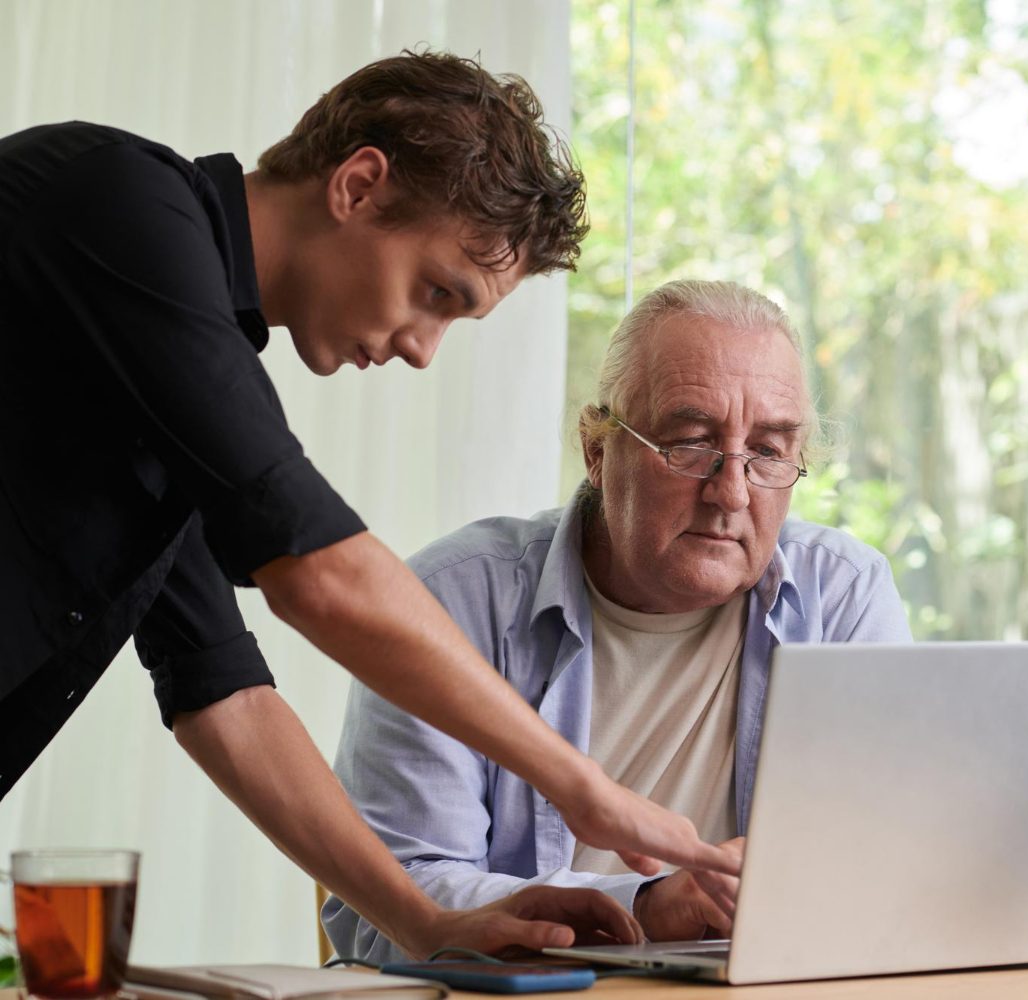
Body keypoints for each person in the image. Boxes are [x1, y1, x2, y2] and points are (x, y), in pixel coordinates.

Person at [0, 51, 735, 959]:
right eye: (436, 293)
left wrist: (423, 922)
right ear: (358, 185)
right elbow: (320, 571)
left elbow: (220, 694)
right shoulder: (116, 206)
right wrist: (586, 789)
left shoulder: (165, 377)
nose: (425, 349)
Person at [323, 280, 912, 961]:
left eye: (770, 453)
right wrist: (648, 908)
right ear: (597, 450)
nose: (731, 491)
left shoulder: (842, 595)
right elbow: (389, 905)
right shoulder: (448, 601)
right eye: (690, 442)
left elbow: (886, 859)